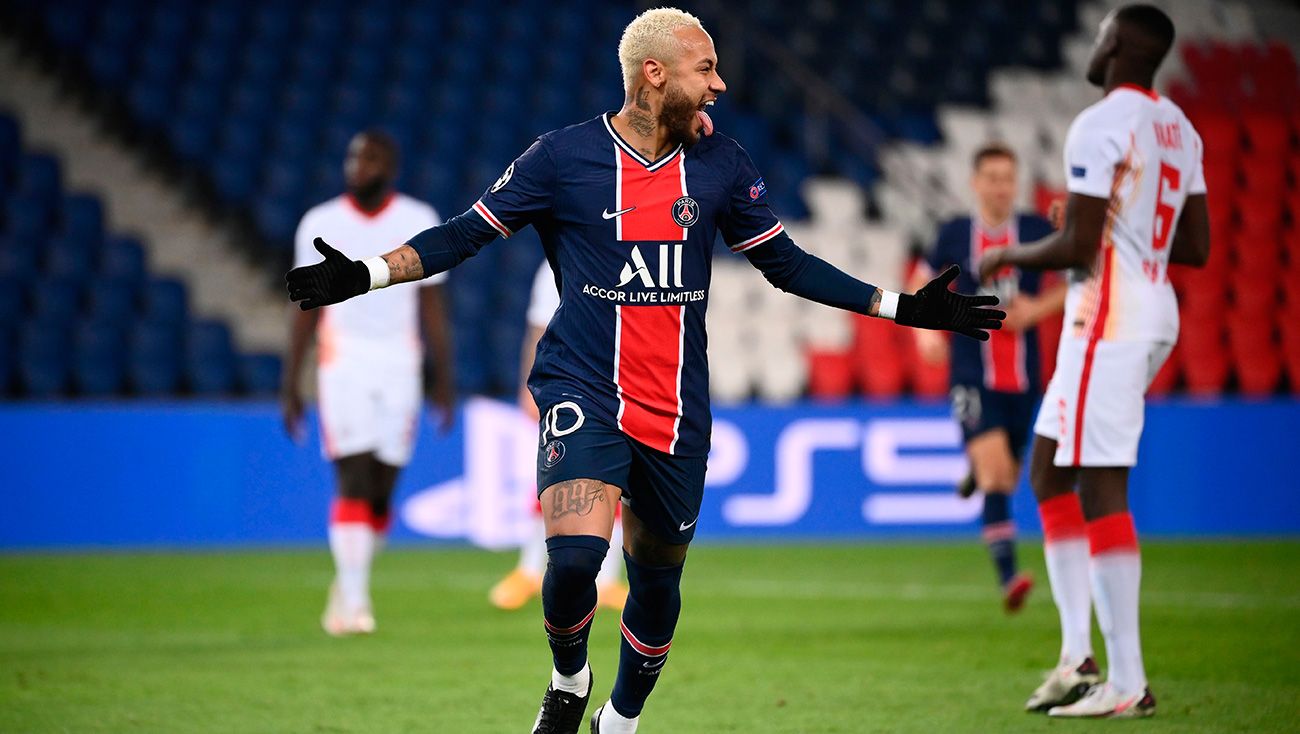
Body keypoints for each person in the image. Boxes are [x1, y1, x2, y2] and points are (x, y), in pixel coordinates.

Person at [287, 9, 1004, 732]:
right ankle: (569, 679)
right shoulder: (562, 159)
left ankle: (620, 719)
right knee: (572, 562)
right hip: (583, 389)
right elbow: (465, 234)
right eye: (706, 70)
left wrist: (904, 307)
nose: (720, 85)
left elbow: (785, 265)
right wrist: (369, 273)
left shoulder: (722, 164)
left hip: (676, 409)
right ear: (654, 75)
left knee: (656, 579)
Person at [979, 4, 1210, 718]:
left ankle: (1127, 681)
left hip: (1106, 314)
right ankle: (1078, 655)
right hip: (1149, 305)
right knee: (1049, 467)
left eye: (1104, 30)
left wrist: (1007, 254)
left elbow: (1080, 250)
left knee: (1099, 482)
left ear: (1114, 45)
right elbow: (1194, 245)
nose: (1098, 38)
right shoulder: (1179, 127)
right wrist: (1112, 230)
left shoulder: (1101, 122)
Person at [281, 130, 456, 637]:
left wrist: (442, 378)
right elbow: (305, 307)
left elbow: (432, 306)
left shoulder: (417, 220)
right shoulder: (320, 222)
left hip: (400, 365)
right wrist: (290, 381)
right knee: (353, 477)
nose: (359, 164)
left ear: (391, 166)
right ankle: (355, 602)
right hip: (344, 364)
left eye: (371, 157)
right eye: (354, 156)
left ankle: (349, 581)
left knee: (381, 492)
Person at [913, 143, 1066, 612]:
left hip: (1023, 378)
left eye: (1008, 178)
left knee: (1004, 473)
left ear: (1016, 183)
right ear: (975, 183)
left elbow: (1084, 275)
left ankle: (975, 474)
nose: (1001, 186)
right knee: (999, 473)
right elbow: (923, 274)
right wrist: (926, 333)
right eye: (992, 177)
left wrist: (1037, 309)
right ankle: (1009, 578)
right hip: (970, 372)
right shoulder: (957, 233)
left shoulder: (1037, 231)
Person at [490, 261, 628, 612]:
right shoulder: (555, 263)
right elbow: (538, 327)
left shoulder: (623, 255)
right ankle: (529, 571)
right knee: (553, 477)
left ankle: (608, 581)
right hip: (566, 386)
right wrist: (528, 381)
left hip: (619, 384)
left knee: (617, 483)